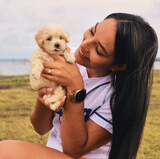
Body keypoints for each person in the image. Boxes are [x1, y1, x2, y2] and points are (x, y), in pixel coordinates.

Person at [0, 13, 158, 159]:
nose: (85, 45)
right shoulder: (67, 56)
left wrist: (75, 88)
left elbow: (74, 149)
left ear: (118, 66)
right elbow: (40, 127)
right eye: (93, 31)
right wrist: (45, 94)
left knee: (5, 151)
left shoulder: (117, 96)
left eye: (98, 50)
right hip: (52, 152)